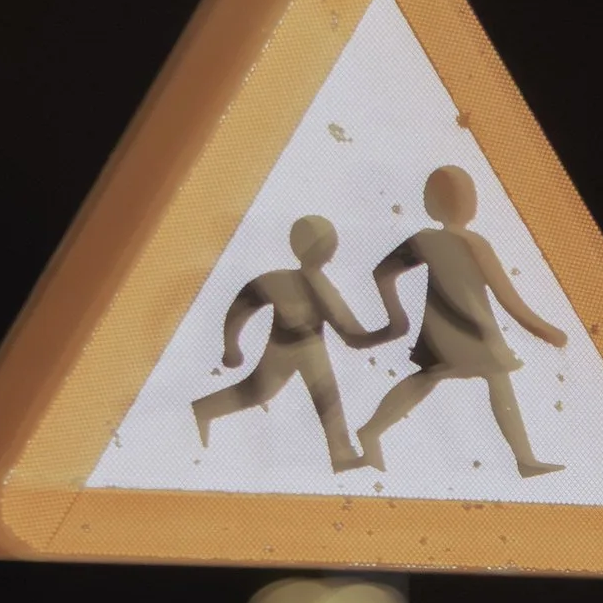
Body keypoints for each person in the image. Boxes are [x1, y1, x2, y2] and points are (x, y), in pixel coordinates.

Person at [355, 166, 569, 476]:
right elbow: (508, 298)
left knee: (428, 378)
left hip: (445, 330)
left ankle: (371, 430)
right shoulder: (472, 243)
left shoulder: (425, 240)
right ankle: (524, 459)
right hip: (473, 329)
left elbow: (382, 273)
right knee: (492, 379)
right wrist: (545, 330)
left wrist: (395, 316)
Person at [191, 212, 389, 474]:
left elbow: (351, 333)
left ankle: (341, 455)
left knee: (325, 400)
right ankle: (204, 409)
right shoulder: (299, 285)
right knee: (262, 393)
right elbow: (352, 335)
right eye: (329, 245)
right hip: (288, 348)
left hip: (307, 347)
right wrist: (231, 346)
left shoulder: (294, 283)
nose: (332, 251)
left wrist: (231, 345)